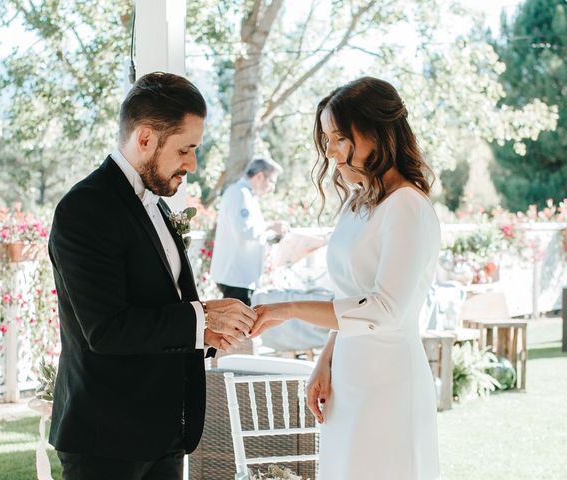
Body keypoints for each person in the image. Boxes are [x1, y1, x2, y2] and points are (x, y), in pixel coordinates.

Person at [47, 72, 256, 480]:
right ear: (145, 139)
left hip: (163, 435)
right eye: (185, 149)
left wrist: (210, 335)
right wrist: (203, 318)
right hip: (106, 440)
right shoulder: (85, 209)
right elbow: (106, 329)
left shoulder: (157, 205)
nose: (192, 164)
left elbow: (160, 307)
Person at [251, 76, 441, 479]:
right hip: (348, 380)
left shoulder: (407, 205)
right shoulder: (359, 202)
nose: (331, 151)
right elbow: (353, 296)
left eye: (339, 138)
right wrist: (327, 358)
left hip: (388, 383)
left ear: (375, 131)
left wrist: (289, 309)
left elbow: (384, 309)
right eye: (326, 139)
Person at [210, 158, 288, 306]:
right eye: (271, 181)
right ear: (259, 176)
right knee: (237, 327)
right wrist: (271, 226)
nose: (272, 187)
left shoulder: (245, 195)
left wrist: (273, 233)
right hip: (236, 277)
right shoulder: (240, 194)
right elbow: (244, 232)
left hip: (240, 277)